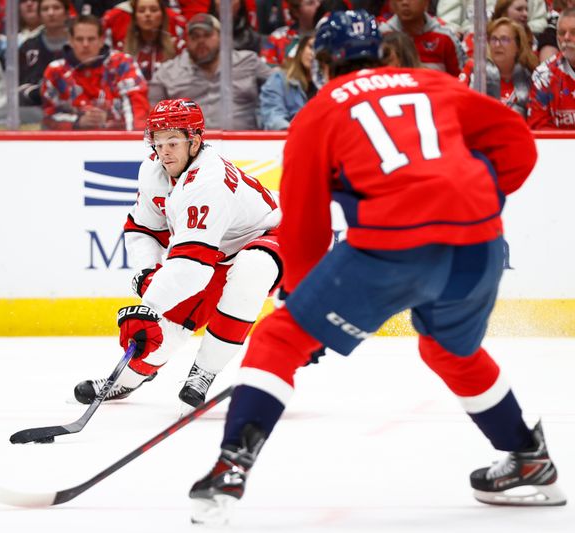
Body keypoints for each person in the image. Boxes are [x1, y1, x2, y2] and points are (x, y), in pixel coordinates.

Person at [189, 10, 566, 526]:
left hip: (393, 246)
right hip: (479, 242)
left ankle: (230, 465)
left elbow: (304, 229)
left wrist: (300, 305)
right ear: (383, 52)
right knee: (449, 350)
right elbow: (517, 141)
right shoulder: (432, 83)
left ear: (323, 63)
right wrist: (482, 195)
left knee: (279, 339)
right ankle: (529, 458)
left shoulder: (318, 113)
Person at [74, 98, 283, 410]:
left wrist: (149, 306)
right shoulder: (152, 172)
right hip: (220, 251)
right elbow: (142, 229)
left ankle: (204, 372)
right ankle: (126, 379)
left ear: (195, 141)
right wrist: (147, 273)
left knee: (252, 270)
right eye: (158, 142)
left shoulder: (208, 180)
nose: (164, 151)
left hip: (277, 235)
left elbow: (193, 266)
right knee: (168, 327)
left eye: (173, 141)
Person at [148, 13, 273, 129]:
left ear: (221, 37)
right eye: (195, 36)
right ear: (186, 41)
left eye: (207, 35)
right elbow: (152, 118)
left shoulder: (248, 61)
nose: (201, 41)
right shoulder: (166, 72)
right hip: (188, 147)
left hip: (245, 144)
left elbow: (281, 86)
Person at [40, 13, 149, 130]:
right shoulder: (55, 71)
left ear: (102, 40)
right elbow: (48, 117)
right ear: (70, 41)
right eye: (79, 39)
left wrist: (113, 123)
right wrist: (77, 122)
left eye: (91, 39)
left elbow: (138, 108)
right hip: (71, 143)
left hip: (118, 141)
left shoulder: (122, 63)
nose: (85, 44)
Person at [459, 17, 538, 116]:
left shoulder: (531, 77)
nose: (497, 44)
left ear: (518, 46)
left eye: (504, 39)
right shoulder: (474, 69)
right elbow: (457, 102)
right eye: (494, 39)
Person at [380, 0, 466, 76]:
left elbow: (461, 80)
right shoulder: (380, 36)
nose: (405, 2)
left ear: (426, 2)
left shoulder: (445, 37)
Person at [259, 33, 318, 130]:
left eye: (318, 49)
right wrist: (296, 133)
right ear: (301, 50)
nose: (313, 54)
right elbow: (273, 115)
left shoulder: (331, 84)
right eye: (310, 47)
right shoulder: (279, 79)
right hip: (287, 139)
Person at [528, 7, 575, 128]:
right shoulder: (544, 75)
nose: (566, 38)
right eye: (561, 33)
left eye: (574, 32)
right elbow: (539, 128)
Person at [17, 0, 69, 106]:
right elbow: (18, 87)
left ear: (66, 13)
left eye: (56, 8)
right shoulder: (28, 47)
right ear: (39, 15)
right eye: (45, 9)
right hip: (34, 109)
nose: (51, 13)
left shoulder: (78, 44)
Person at [118, 0, 186, 80]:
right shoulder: (121, 49)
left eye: (154, 10)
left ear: (163, 16)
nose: (148, 14)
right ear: (135, 18)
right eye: (141, 10)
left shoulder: (178, 47)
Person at [260, 0, 321, 66]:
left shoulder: (330, 35)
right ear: (296, 12)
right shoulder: (277, 37)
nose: (318, 5)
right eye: (310, 3)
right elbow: (266, 68)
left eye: (320, 1)